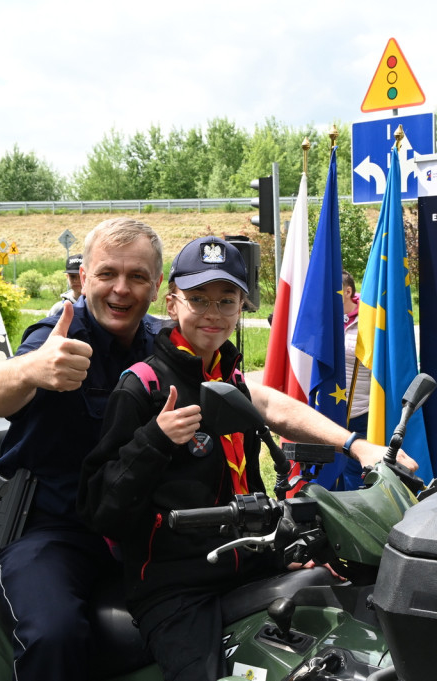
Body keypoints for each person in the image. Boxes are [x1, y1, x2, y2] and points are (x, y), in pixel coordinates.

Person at [0, 220, 415, 681]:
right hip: (57, 526)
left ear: (157, 287)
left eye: (137, 277)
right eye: (107, 274)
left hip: (154, 528)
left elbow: (257, 400)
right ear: (83, 277)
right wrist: (32, 369)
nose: (121, 289)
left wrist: (354, 443)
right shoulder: (59, 337)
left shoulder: (168, 339)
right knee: (54, 634)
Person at [78, 236, 286, 681]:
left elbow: (246, 483)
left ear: (241, 308)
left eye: (225, 301)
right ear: (172, 304)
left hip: (243, 565)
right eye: (198, 300)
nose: (212, 313)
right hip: (174, 587)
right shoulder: (143, 385)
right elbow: (100, 509)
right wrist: (155, 439)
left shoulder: (232, 380)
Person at [341, 270, 371, 491]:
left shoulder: (369, 319)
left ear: (347, 291)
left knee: (353, 471)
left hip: (360, 411)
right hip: (329, 409)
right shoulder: (325, 316)